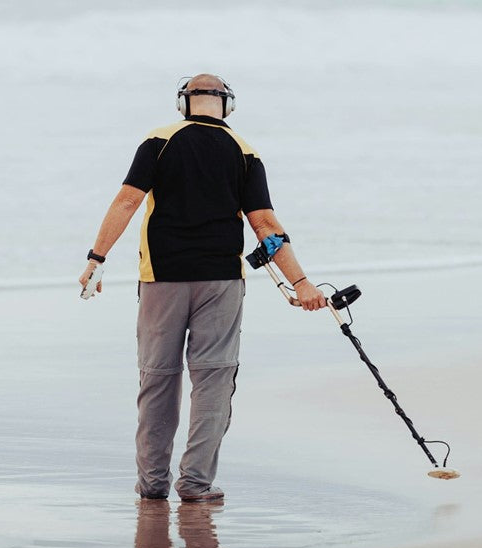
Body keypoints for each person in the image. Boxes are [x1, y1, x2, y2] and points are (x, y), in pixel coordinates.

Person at [79, 73, 326, 502]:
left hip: (161, 279)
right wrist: (300, 283)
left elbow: (127, 201)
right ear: (227, 105)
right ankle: (195, 485)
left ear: (183, 103)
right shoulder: (244, 151)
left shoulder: (160, 140)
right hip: (221, 282)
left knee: (158, 378)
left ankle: (152, 485)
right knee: (213, 379)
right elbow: (265, 225)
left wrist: (96, 259)